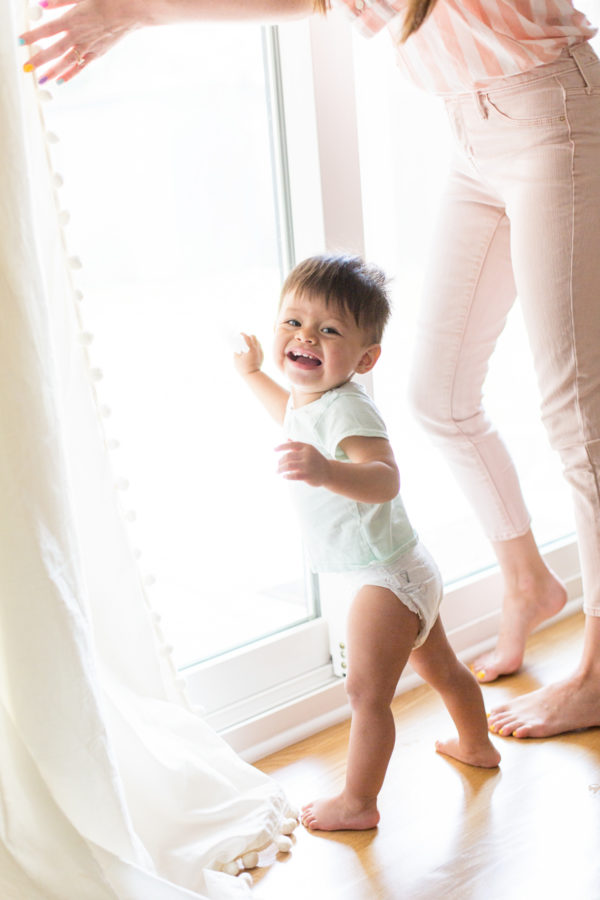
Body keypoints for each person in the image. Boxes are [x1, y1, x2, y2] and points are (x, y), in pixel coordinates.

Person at [19, 0, 600, 739]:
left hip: (552, 109)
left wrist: (136, 11)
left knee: (579, 419)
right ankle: (528, 581)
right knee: (438, 399)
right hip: (471, 127)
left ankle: (598, 673)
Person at [233, 253, 500, 832]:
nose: (305, 336)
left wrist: (327, 472)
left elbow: (385, 477)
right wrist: (254, 374)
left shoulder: (349, 407)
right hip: (403, 566)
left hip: (384, 577)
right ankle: (477, 745)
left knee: (366, 694)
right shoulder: (315, 402)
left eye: (329, 329)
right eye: (293, 322)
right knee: (444, 668)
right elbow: (292, 420)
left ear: (365, 357)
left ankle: (359, 801)